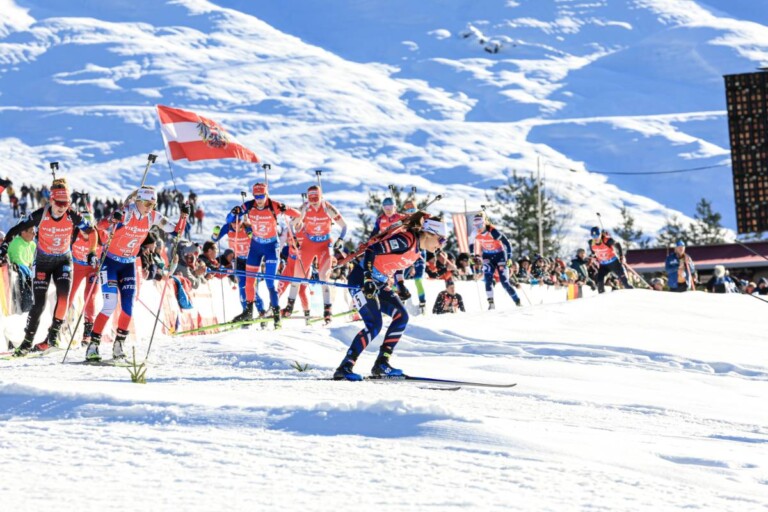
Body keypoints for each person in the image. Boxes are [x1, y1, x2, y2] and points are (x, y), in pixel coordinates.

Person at [333, 215, 446, 381]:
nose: (441, 244)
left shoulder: (417, 250)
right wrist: (368, 279)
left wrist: (400, 285)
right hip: (361, 280)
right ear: (429, 233)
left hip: (379, 282)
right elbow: (372, 250)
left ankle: (382, 363)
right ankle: (345, 367)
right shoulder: (405, 240)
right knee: (374, 324)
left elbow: (397, 263)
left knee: (402, 316)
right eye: (441, 239)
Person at [85, 186, 188, 361]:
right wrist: (112, 219)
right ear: (138, 201)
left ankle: (119, 345)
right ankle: (93, 345)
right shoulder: (126, 212)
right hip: (110, 262)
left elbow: (177, 231)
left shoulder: (153, 216)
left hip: (129, 264)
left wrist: (183, 216)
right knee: (110, 304)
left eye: (153, 204)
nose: (149, 208)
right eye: (147, 204)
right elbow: (99, 226)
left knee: (128, 308)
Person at [0, 178, 98, 355]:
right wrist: (5, 246)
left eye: (66, 203)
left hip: (63, 261)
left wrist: (92, 252)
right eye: (59, 203)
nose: (62, 207)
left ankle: (52, 336)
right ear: (51, 200)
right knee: (39, 304)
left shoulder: (72, 214)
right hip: (43, 262)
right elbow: (16, 229)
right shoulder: (40, 214)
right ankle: (27, 342)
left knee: (63, 298)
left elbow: (92, 232)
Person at [226, 182, 300, 329]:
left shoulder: (274, 205)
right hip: (256, 246)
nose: (259, 199)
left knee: (269, 283)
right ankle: (248, 312)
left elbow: (297, 215)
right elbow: (229, 220)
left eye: (262, 196)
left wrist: (286, 208)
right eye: (256, 196)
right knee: (249, 281)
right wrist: (233, 212)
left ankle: (276, 314)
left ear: (266, 194)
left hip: (271, 247)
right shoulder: (248, 205)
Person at [283, 185, 347, 324]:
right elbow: (292, 224)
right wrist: (294, 237)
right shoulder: (305, 207)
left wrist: (341, 239)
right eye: (311, 199)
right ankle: (289, 306)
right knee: (297, 276)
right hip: (308, 244)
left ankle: (327, 310)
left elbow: (344, 226)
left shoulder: (328, 208)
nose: (314, 202)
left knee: (324, 277)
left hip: (324, 245)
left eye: (316, 199)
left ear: (321, 197)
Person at [212, 219, 268, 321]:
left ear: (241, 221)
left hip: (252, 260)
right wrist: (215, 234)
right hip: (239, 261)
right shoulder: (228, 227)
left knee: (252, 287)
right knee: (242, 287)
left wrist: (252, 235)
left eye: (237, 222)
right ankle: (246, 313)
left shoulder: (248, 228)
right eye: (232, 222)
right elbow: (215, 239)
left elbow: (260, 240)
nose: (234, 225)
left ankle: (261, 311)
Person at [68, 214, 110, 346]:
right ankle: (58, 326)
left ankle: (88, 331)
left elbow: (112, 247)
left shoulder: (101, 234)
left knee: (89, 296)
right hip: (77, 267)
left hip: (93, 268)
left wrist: (105, 260)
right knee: (69, 295)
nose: (85, 232)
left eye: (89, 228)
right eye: (82, 228)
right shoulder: (73, 233)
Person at [469, 212, 521, 309]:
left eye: (479, 225)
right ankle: (491, 304)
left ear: (484, 223)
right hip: (487, 256)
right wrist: (472, 256)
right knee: (488, 280)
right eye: (475, 226)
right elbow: (471, 244)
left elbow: (507, 243)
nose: (478, 228)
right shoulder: (475, 232)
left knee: (504, 282)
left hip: (500, 255)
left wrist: (509, 258)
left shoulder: (493, 232)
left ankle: (517, 301)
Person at [588, 226, 633, 293]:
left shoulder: (607, 240)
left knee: (626, 284)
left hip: (614, 263)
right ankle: (602, 297)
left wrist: (621, 256)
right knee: (600, 283)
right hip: (603, 265)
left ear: (600, 234)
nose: (595, 238)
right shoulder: (591, 243)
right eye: (593, 236)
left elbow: (618, 244)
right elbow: (593, 252)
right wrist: (594, 257)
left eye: (597, 235)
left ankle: (633, 293)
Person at [6, 225, 36, 312]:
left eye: (35, 231)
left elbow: (31, 262)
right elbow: (17, 261)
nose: (35, 234)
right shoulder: (16, 243)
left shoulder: (33, 245)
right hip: (18, 270)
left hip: (28, 270)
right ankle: (26, 306)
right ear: (23, 232)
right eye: (32, 232)